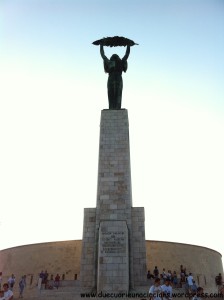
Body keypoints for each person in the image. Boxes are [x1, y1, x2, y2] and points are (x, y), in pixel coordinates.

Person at [100, 44, 130, 109]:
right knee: (110, 93)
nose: (114, 56)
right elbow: (103, 55)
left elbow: (127, 54)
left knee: (118, 93)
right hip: (112, 78)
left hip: (117, 78)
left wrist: (128, 45)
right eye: (113, 56)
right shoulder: (110, 62)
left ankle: (117, 107)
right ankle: (111, 107)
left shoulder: (120, 62)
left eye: (115, 56)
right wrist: (101, 45)